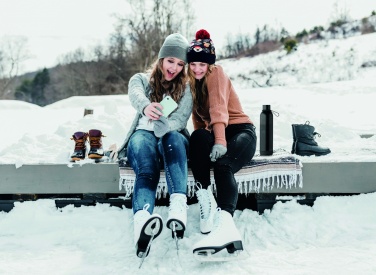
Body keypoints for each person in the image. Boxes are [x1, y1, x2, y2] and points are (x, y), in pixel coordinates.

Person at [117, 33, 192, 258]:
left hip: (171, 136)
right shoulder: (140, 79)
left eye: (180, 64)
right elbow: (135, 94)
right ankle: (142, 222)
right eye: (171, 61)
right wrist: (147, 107)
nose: (175, 68)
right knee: (145, 164)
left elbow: (180, 120)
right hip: (143, 135)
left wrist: (161, 126)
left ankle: (178, 209)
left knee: (173, 139)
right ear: (161, 60)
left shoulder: (186, 89)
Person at [187, 29, 257, 256]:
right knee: (196, 136)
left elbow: (218, 109)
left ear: (209, 64)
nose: (198, 68)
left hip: (239, 131)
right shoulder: (191, 83)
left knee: (223, 164)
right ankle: (205, 199)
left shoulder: (217, 73)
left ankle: (225, 223)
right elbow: (197, 120)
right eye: (193, 64)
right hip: (215, 130)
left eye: (202, 64)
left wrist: (219, 141)